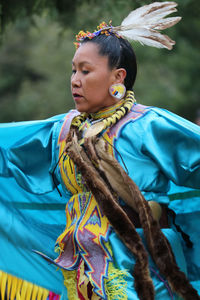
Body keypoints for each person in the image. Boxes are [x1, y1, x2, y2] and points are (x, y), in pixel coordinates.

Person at [0, 2, 200, 300]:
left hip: (144, 271)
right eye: (73, 70)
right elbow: (7, 145)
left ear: (118, 77)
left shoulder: (149, 127)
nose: (75, 80)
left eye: (85, 70)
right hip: (82, 272)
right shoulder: (62, 132)